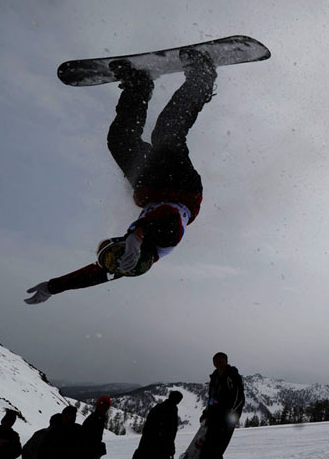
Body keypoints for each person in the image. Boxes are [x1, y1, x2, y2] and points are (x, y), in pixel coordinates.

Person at [24, 52, 218, 304]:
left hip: (147, 185)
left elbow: (94, 274)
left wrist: (54, 287)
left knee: (119, 141)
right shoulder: (166, 239)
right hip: (181, 187)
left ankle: (139, 84)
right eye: (114, 248)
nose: (114, 247)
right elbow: (169, 215)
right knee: (167, 134)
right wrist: (136, 236)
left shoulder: (128, 262)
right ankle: (202, 77)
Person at [192, 352, 245, 459]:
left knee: (215, 454)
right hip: (213, 421)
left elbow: (239, 400)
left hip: (225, 423)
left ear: (226, 361)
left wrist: (230, 421)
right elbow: (212, 399)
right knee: (204, 454)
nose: (218, 364)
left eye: (221, 361)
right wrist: (206, 413)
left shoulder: (232, 376)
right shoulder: (215, 377)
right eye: (216, 362)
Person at [125, 391, 182, 459]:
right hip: (160, 449)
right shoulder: (171, 410)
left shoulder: (158, 408)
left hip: (146, 447)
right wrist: (170, 448)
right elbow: (169, 433)